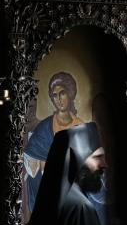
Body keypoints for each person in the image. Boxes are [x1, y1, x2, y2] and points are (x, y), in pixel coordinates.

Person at [23, 72, 85, 215]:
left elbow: (85, 164)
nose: (58, 99)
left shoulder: (81, 127)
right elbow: (32, 159)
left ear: (70, 94)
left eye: (62, 93)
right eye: (54, 95)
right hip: (49, 191)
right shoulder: (44, 127)